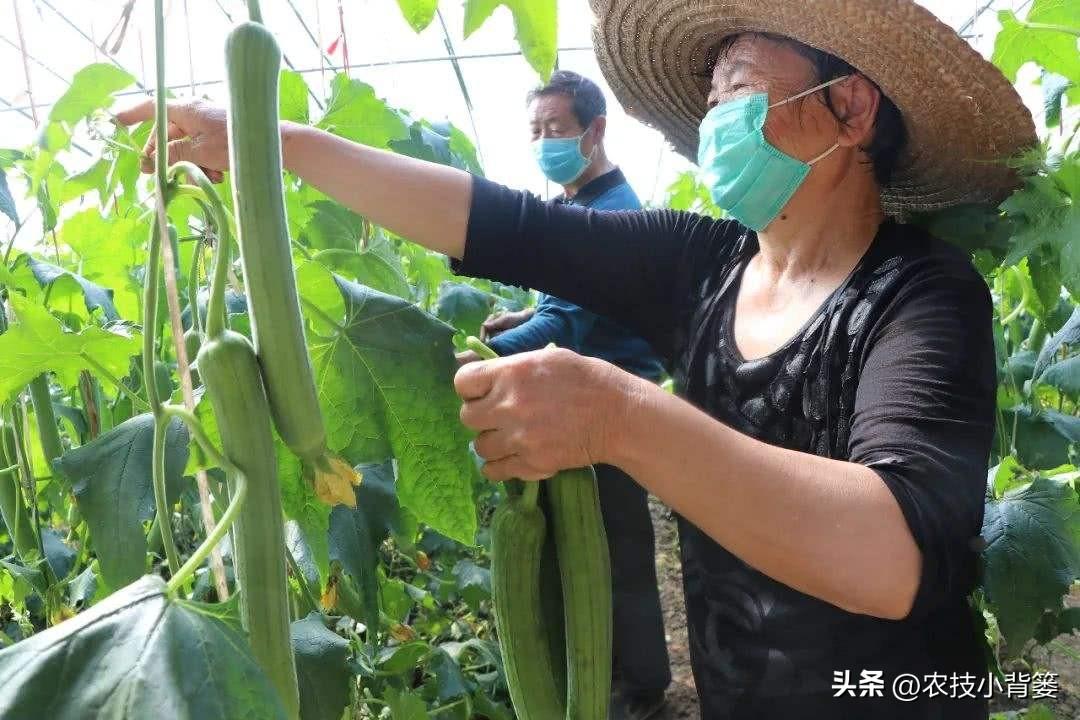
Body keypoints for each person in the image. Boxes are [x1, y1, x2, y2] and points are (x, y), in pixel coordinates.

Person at [119, 1, 1036, 717]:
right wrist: (270, 143)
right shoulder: (703, 264)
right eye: (711, 97)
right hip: (738, 694)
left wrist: (620, 416)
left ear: (850, 107)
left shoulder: (924, 294)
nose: (718, 116)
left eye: (742, 86)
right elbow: (508, 227)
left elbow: (895, 557)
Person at [457, 69, 672, 720]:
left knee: (612, 554)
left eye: (555, 128)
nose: (543, 141)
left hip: (607, 409)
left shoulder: (605, 216)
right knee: (596, 550)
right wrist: (517, 323)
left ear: (595, 130)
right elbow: (562, 308)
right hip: (590, 403)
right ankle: (620, 680)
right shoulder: (580, 209)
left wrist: (476, 360)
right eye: (535, 131)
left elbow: (567, 326)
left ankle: (638, 692)